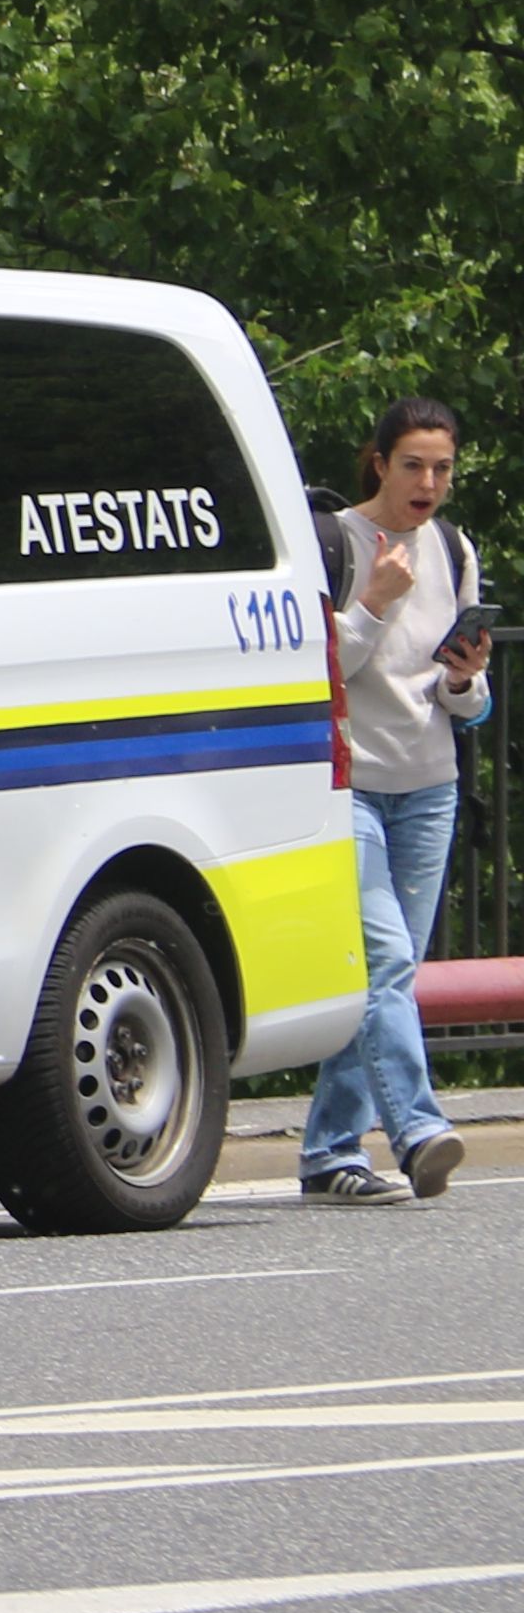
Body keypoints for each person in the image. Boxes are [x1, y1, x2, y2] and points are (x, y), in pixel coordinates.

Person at [309, 397, 492, 1200]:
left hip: (429, 789)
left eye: (443, 468)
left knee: (392, 975)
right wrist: (374, 601)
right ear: (378, 462)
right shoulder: (335, 544)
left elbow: (470, 704)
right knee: (383, 962)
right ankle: (417, 1129)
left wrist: (464, 677)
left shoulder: (453, 549)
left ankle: (328, 1152)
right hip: (350, 785)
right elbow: (317, 677)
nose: (429, 482)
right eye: (413, 465)